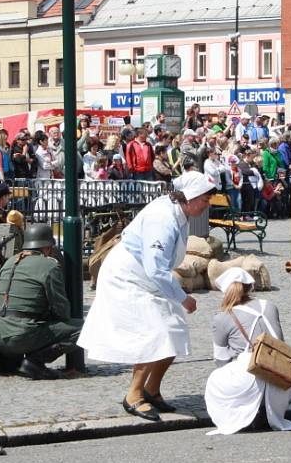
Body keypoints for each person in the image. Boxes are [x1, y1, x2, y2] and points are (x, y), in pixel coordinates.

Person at [77, 172, 215, 421]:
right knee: (154, 333)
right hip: (128, 277)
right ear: (191, 197)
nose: (209, 204)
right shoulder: (162, 218)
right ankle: (134, 395)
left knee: (175, 329)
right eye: (206, 199)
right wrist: (182, 297)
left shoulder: (178, 211)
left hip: (148, 277)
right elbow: (155, 267)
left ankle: (152, 390)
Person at [0, 224, 83, 380]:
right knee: (85, 330)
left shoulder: (9, 263)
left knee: (13, 362)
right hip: (22, 334)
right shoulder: (49, 266)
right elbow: (61, 309)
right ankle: (34, 362)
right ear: (48, 247)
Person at [204, 267, 291, 435]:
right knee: (256, 378)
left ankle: (242, 413)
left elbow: (220, 359)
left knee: (215, 379)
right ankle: (267, 408)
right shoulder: (270, 306)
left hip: (249, 374)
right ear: (250, 287)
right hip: (283, 374)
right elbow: (280, 342)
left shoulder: (222, 317)